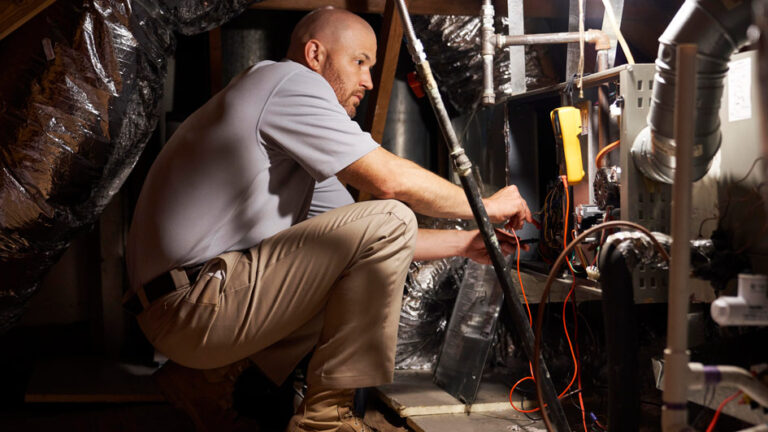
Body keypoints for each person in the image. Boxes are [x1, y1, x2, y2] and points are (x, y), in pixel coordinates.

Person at [124, 6, 532, 432]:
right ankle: (326, 422)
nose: (368, 81)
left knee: (359, 249)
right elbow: (389, 184)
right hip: (192, 305)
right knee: (390, 216)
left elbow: (370, 241)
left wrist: (466, 243)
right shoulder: (287, 82)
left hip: (183, 308)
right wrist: (485, 205)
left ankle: (204, 380)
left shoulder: (289, 143)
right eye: (359, 62)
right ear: (315, 55)